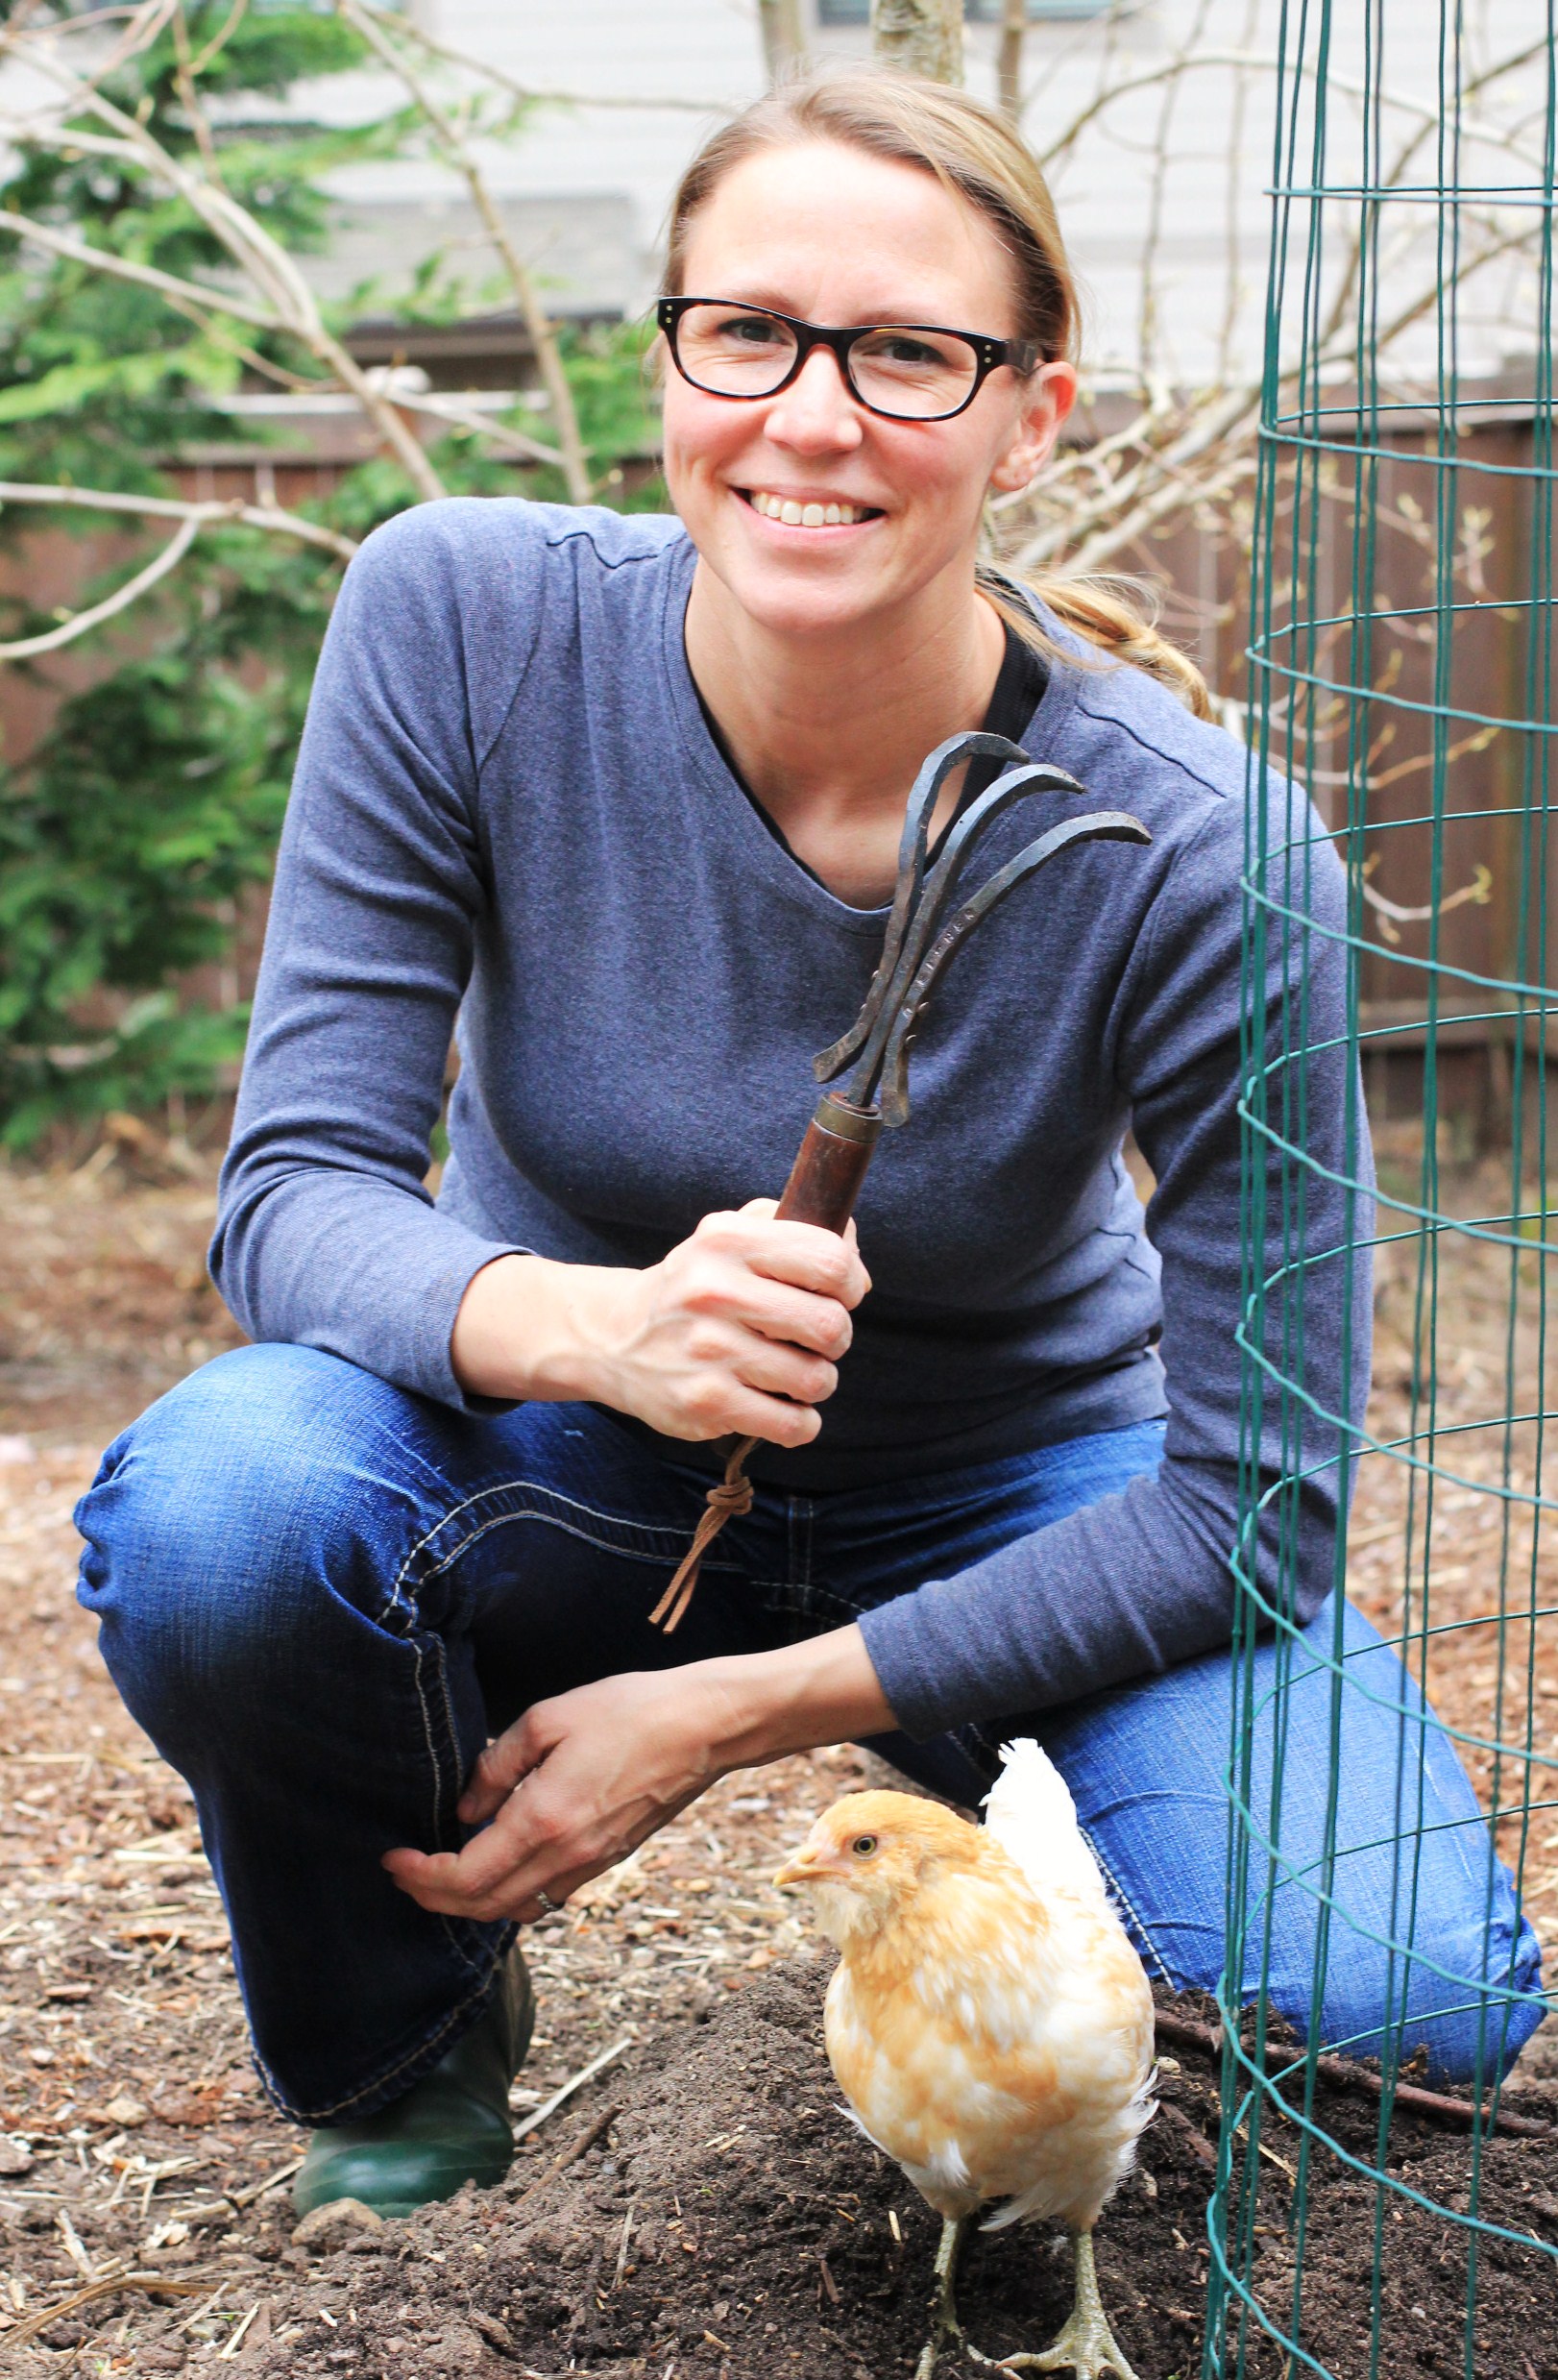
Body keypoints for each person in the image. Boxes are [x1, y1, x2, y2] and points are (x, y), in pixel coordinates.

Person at [75, 69, 1543, 2221]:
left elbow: (1256, 1506)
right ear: (666, 349)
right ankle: (400, 2046)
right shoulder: (464, 627)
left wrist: (737, 1711)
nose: (811, 414)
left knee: (1385, 2002)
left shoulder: (1196, 847)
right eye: (745, 330)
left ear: (1030, 412)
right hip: (555, 1470)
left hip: (1022, 1498)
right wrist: (592, 1328)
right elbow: (291, 1196)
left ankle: (1042, 1869)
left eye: (905, 355)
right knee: (225, 1516)